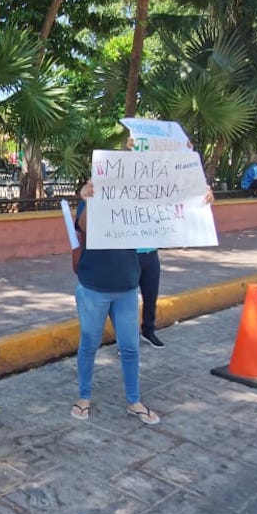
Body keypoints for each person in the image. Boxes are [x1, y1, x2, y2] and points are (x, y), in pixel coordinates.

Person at [71, 181, 160, 425]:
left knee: (130, 347)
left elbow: (168, 221)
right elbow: (85, 225)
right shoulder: (89, 200)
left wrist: (199, 200)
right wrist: (88, 201)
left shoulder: (136, 206)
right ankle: (84, 397)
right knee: (89, 344)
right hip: (93, 288)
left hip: (127, 289)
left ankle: (134, 401)